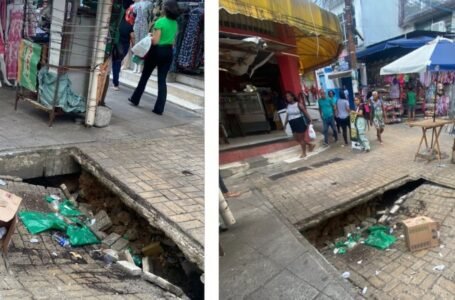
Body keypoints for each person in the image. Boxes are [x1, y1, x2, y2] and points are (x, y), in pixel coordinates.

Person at [128, 0, 180, 115]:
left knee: (145, 76)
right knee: (162, 81)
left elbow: (155, 41)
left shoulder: (160, 22)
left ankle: (135, 99)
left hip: (157, 51)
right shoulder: (175, 24)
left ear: (165, 9)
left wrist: (150, 37)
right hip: (168, 52)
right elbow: (173, 41)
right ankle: (159, 108)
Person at [284, 91, 315, 158]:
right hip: (292, 123)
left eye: (289, 96)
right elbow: (287, 115)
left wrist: (310, 120)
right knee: (296, 138)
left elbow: (305, 112)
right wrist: (285, 124)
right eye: (286, 97)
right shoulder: (288, 105)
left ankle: (304, 153)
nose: (287, 98)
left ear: (292, 97)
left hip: (299, 122)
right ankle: (310, 145)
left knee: (301, 139)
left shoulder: (298, 104)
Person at [111, 5, 135, 91]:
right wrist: (134, 47)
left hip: (117, 45)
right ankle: (116, 82)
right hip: (124, 47)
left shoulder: (119, 23)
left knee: (115, 64)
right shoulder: (130, 25)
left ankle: (115, 83)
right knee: (117, 63)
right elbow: (132, 37)